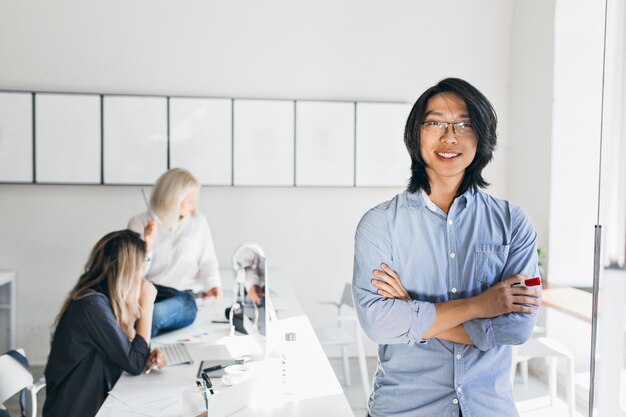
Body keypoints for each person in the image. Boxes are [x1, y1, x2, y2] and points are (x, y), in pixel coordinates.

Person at [352, 78, 542, 417]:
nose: (449, 137)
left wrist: (412, 312)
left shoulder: (513, 222)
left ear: (482, 137)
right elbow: (379, 324)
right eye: (435, 122)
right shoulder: (379, 224)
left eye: (464, 124)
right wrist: (481, 305)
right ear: (415, 134)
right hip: (405, 409)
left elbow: (517, 328)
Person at [43, 230, 167, 417]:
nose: (142, 276)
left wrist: (146, 357)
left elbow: (130, 357)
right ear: (128, 271)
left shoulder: (100, 300)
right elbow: (133, 363)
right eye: (142, 266)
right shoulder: (91, 306)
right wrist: (147, 305)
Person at [128, 168, 221, 337]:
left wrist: (213, 284)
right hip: (148, 292)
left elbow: (207, 261)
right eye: (190, 201)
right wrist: (147, 245)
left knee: (152, 316)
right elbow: (134, 274)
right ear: (172, 199)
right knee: (130, 315)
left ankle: (135, 353)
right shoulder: (139, 223)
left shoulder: (198, 222)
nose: (194, 206)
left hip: (182, 297)